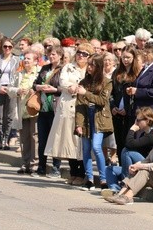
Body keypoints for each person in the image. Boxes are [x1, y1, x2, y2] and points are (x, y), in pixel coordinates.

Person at [47, 42, 91, 186]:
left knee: (81, 142)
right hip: (68, 106)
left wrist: (79, 88)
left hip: (83, 107)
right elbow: (62, 81)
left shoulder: (91, 69)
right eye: (79, 52)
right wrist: (70, 87)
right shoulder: (68, 67)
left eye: (85, 54)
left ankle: (82, 173)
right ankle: (73, 172)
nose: (81, 56)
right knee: (68, 141)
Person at [75, 53, 113, 190]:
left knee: (96, 147)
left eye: (92, 64)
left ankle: (103, 180)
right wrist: (78, 124)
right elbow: (79, 105)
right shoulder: (83, 82)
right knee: (85, 149)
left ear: (98, 66)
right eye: (89, 64)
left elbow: (102, 101)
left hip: (100, 118)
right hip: (86, 117)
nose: (89, 67)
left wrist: (86, 93)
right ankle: (89, 179)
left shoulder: (107, 82)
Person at [33, 46, 63, 177]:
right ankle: (41, 167)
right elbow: (35, 83)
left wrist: (54, 89)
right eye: (50, 54)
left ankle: (56, 168)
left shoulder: (64, 70)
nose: (51, 57)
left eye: (54, 54)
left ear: (60, 55)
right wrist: (39, 87)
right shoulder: (45, 68)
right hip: (43, 108)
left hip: (56, 108)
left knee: (55, 139)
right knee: (42, 139)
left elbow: (65, 88)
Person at [10, 50, 40, 173]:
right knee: (24, 138)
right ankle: (25, 163)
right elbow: (9, 88)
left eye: (29, 59)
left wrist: (34, 90)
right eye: (25, 58)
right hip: (21, 109)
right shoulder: (19, 73)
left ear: (35, 61)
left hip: (34, 109)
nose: (26, 60)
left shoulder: (38, 73)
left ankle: (34, 164)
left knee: (34, 137)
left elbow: (41, 86)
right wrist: (17, 90)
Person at [0, 38, 19, 150]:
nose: (7, 49)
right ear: (2, 47)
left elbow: (18, 75)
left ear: (12, 48)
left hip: (11, 89)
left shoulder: (16, 60)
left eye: (9, 47)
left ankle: (6, 140)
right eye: (5, 46)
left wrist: (11, 88)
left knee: (9, 116)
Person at [111, 45, 140, 153]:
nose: (125, 60)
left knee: (129, 141)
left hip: (130, 114)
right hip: (117, 113)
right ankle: (122, 167)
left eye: (128, 57)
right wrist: (113, 106)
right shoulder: (116, 72)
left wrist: (127, 109)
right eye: (123, 57)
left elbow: (136, 95)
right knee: (119, 142)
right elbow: (111, 92)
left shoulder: (138, 74)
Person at [127, 39, 153, 117]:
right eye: (144, 51)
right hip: (141, 111)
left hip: (151, 112)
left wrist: (137, 91)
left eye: (148, 52)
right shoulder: (146, 68)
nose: (144, 54)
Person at [119, 107, 153, 179]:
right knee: (109, 169)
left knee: (126, 151)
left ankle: (126, 182)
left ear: (147, 120)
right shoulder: (145, 134)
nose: (136, 123)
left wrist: (132, 129)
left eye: (138, 120)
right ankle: (115, 188)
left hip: (149, 165)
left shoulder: (151, 135)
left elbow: (129, 144)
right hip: (142, 162)